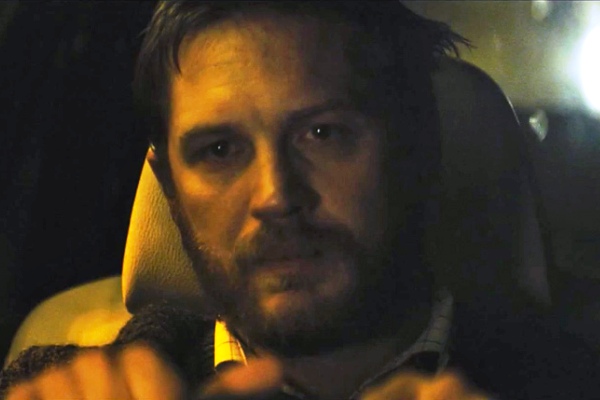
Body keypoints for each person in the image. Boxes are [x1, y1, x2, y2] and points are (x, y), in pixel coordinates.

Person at [1, 1, 599, 399]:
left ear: (416, 144)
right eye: (219, 150)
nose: (276, 196)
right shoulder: (58, 384)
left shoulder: (574, 378)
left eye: (323, 134)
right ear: (170, 187)